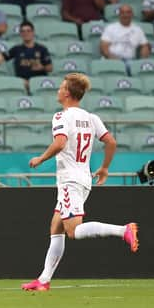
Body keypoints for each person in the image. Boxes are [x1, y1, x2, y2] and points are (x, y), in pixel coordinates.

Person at [21, 73, 139, 291]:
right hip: (84, 178)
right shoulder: (91, 118)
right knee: (55, 227)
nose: (58, 90)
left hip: (69, 180)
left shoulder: (61, 117)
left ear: (67, 93)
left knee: (73, 231)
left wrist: (40, 158)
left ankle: (123, 230)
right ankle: (43, 280)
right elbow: (111, 142)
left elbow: (59, 143)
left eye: (61, 87)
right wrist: (104, 168)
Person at [0, 21, 52, 89]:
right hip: (22, 83)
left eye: (28, 31)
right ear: (20, 34)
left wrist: (42, 67)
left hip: (38, 83)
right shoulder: (16, 49)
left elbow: (50, 68)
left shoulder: (42, 49)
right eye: (23, 31)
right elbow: (2, 56)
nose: (26, 33)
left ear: (33, 32)